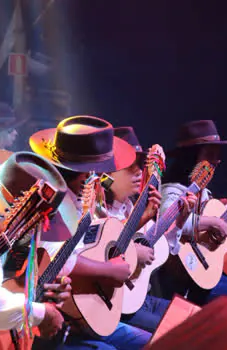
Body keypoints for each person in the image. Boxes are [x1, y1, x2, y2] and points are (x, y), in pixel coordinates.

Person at [29, 115, 153, 349]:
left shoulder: (78, 200)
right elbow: (58, 257)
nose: (98, 176)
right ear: (84, 173)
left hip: (80, 311)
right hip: (53, 321)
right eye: (95, 171)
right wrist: (108, 270)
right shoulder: (51, 202)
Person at [151, 120, 227, 311]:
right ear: (191, 157)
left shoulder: (206, 194)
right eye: (210, 154)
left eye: (217, 155)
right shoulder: (173, 189)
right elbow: (167, 221)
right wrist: (211, 222)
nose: (217, 161)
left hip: (204, 274)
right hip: (183, 278)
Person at [0, 151, 75, 348]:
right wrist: (41, 314)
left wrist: (45, 290)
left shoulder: (9, 234)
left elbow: (60, 260)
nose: (35, 234)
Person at [106, 126, 196, 333]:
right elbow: (103, 249)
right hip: (118, 304)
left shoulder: (131, 206)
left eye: (140, 165)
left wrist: (179, 220)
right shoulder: (99, 211)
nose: (138, 172)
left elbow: (164, 249)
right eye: (130, 166)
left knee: (199, 320)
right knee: (178, 334)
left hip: (141, 297)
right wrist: (133, 251)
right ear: (109, 171)